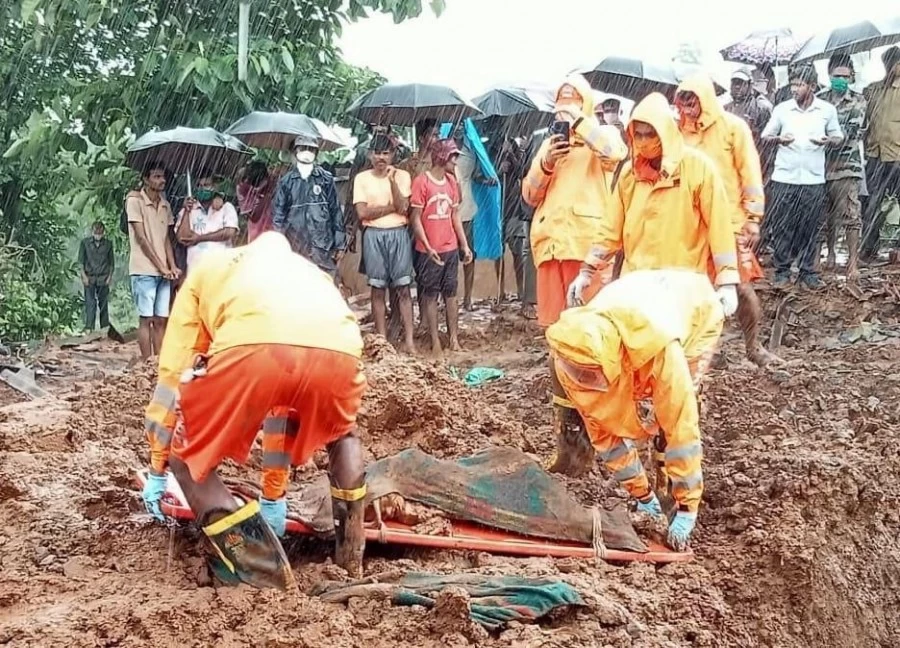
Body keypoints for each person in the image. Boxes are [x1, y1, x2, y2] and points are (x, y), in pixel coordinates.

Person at [139, 232, 367, 588]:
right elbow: (282, 409)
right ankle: (351, 556)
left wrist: (158, 466)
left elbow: (172, 379)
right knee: (344, 436)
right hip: (339, 351)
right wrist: (272, 497)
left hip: (253, 346)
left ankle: (262, 576)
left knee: (185, 459)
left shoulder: (208, 271)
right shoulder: (308, 272)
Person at [546, 269, 724, 552]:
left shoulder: (663, 353)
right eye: (577, 374)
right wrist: (641, 495)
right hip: (634, 300)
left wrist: (688, 508)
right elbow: (606, 438)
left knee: (671, 418)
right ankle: (654, 495)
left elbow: (682, 427)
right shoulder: (573, 352)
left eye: (589, 376)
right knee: (619, 412)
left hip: (693, 310)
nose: (582, 381)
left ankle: (674, 495)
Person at [521, 74, 628, 477]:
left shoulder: (600, 138)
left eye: (572, 101)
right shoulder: (551, 146)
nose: (563, 108)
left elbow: (616, 152)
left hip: (587, 252)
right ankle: (569, 444)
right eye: (560, 101)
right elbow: (529, 194)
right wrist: (547, 162)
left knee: (593, 346)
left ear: (586, 104)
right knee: (557, 344)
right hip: (550, 250)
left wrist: (582, 125)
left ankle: (603, 435)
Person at [674, 74, 778, 367]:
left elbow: (750, 173)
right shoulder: (677, 134)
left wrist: (753, 217)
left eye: (691, 100)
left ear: (704, 98)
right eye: (682, 100)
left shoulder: (733, 128)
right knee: (695, 291)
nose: (687, 107)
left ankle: (753, 346)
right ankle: (704, 349)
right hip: (688, 227)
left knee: (741, 288)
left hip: (730, 223)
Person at [761, 65, 843, 289]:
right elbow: (765, 135)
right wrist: (779, 139)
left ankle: (808, 271)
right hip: (784, 177)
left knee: (810, 226)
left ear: (813, 87)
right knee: (782, 225)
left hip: (813, 179)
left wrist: (827, 141)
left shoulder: (826, 110)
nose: (795, 89)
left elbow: (838, 137)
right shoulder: (782, 109)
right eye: (793, 84)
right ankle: (782, 271)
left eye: (800, 85)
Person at [353, 134, 417, 353]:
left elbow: (404, 207)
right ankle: (382, 341)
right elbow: (362, 213)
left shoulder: (402, 176)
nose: (381, 157)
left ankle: (409, 341)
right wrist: (391, 208)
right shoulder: (361, 179)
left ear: (393, 155)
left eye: (386, 153)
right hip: (373, 234)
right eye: (377, 153)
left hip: (398, 233)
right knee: (377, 289)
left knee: (404, 289)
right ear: (370, 155)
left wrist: (391, 183)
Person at [409, 139, 473, 356]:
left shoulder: (452, 182)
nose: (455, 161)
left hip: (450, 246)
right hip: (428, 249)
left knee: (451, 293)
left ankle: (454, 338)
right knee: (430, 294)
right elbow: (415, 218)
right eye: (453, 156)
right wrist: (427, 246)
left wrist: (464, 245)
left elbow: (455, 216)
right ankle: (435, 340)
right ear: (442, 157)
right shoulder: (421, 182)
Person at [125, 162, 180, 359]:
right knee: (146, 318)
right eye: (156, 176)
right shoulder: (134, 201)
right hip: (143, 268)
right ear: (146, 179)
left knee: (161, 319)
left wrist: (171, 266)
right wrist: (161, 266)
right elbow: (141, 238)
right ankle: (146, 361)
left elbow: (166, 239)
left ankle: (159, 361)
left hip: (163, 270)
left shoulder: (165, 205)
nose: (161, 180)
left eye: (162, 176)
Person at [818, 55, 867, 280]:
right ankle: (827, 257)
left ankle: (852, 264)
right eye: (837, 76)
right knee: (823, 214)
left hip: (847, 165)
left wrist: (828, 137)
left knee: (851, 214)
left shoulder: (858, 100)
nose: (841, 80)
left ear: (852, 77)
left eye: (845, 76)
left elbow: (851, 131)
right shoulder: (819, 100)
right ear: (829, 76)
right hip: (820, 165)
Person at [272, 134, 346, 279]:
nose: (307, 152)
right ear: (295, 152)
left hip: (322, 245)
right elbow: (278, 217)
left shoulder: (326, 179)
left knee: (324, 286)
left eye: (311, 149)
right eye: (303, 149)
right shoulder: (286, 182)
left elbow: (335, 211)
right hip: (295, 244)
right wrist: (279, 244)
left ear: (316, 153)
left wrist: (340, 245)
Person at [861, 47, 900, 262]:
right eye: (891, 62)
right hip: (875, 155)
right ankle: (869, 247)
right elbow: (862, 118)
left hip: (898, 155)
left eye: (897, 62)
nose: (894, 67)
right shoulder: (873, 90)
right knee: (871, 203)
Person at [176, 175, 239, 274]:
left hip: (221, 271)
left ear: (214, 187)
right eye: (199, 185)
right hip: (195, 273)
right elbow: (182, 238)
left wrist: (199, 238)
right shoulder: (189, 209)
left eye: (206, 185)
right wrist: (186, 211)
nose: (201, 189)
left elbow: (229, 232)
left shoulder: (226, 207)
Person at [78, 221, 114, 331]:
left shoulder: (108, 244)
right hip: (89, 277)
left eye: (100, 232)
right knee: (90, 303)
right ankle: (89, 327)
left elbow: (111, 263)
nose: (98, 234)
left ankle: (105, 327)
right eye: (96, 232)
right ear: (92, 231)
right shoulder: (85, 243)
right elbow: (80, 262)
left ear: (103, 232)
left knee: (103, 304)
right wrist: (83, 276)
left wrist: (109, 277)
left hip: (103, 277)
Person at [725, 68, 774, 148]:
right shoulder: (725, 109)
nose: (737, 87)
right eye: (735, 83)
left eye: (741, 83)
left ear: (749, 85)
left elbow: (767, 138)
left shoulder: (761, 109)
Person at [237, 161, 277, 243]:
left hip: (276, 232)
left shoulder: (273, 181)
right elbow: (253, 216)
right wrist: (267, 196)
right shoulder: (243, 188)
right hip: (257, 234)